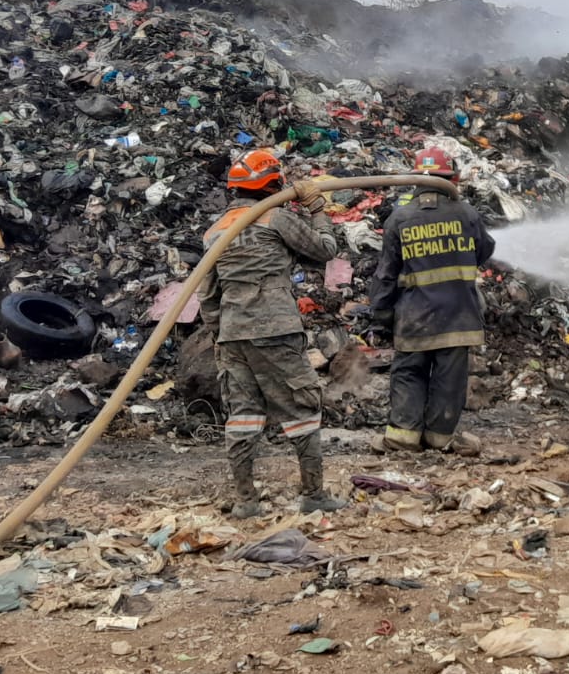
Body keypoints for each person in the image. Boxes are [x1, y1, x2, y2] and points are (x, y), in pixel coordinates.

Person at [200, 148, 346, 517]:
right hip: (275, 327)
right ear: (273, 182)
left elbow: (208, 296)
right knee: (302, 408)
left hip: (233, 333)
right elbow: (326, 250)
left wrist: (222, 336)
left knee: (243, 415)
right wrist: (315, 209)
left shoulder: (214, 232)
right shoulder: (276, 217)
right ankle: (313, 495)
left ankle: (246, 502)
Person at [367, 146, 495, 455]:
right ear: (451, 177)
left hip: (415, 317)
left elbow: (386, 273)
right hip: (458, 316)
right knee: (449, 378)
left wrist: (381, 313)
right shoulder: (466, 213)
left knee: (409, 372)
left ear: (415, 180)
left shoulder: (400, 218)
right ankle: (440, 437)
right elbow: (485, 251)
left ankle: (403, 436)